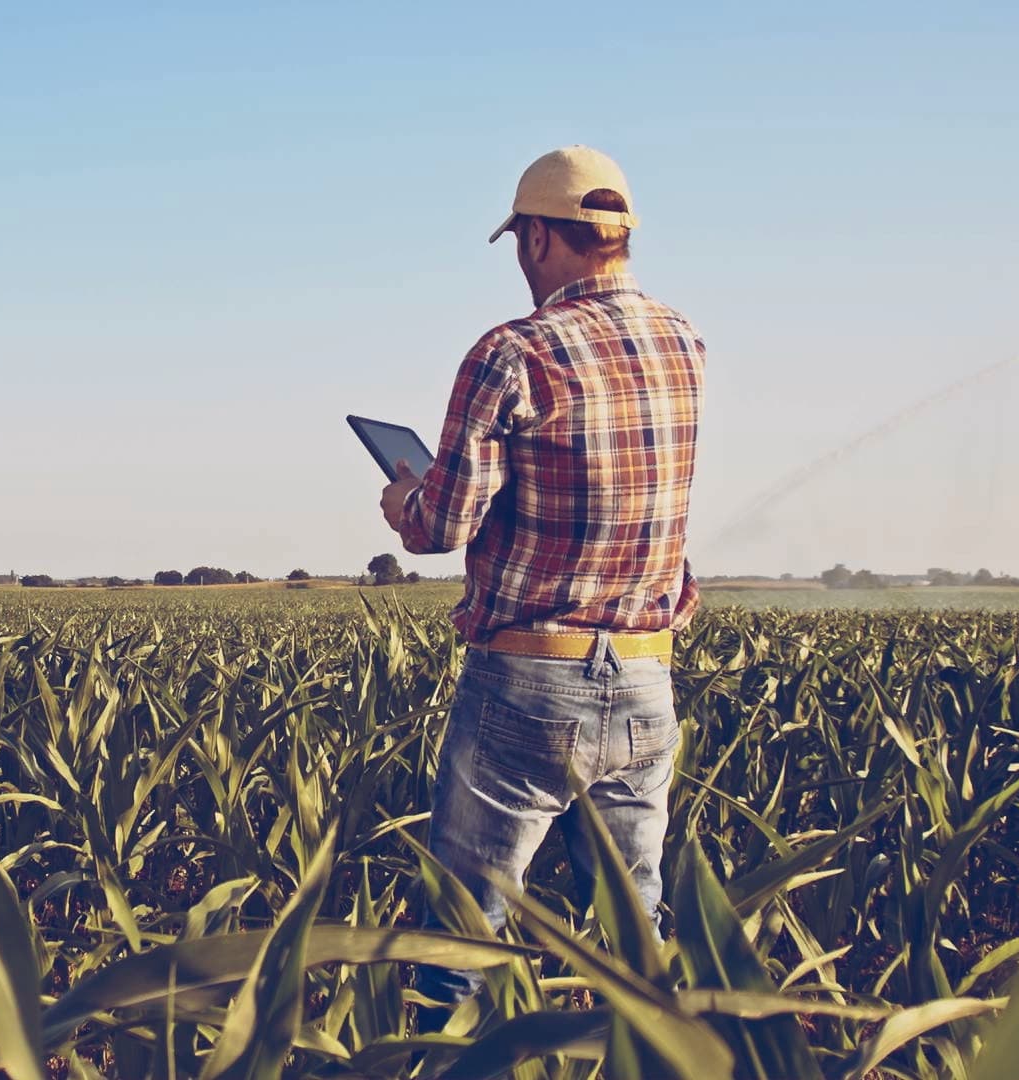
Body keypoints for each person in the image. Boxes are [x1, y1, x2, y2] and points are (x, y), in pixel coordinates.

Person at [378, 145, 706, 1028]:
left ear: (533, 241)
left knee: (464, 933)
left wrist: (405, 495)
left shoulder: (511, 352)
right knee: (636, 929)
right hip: (646, 674)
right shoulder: (685, 342)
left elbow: (445, 526)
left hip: (530, 673)